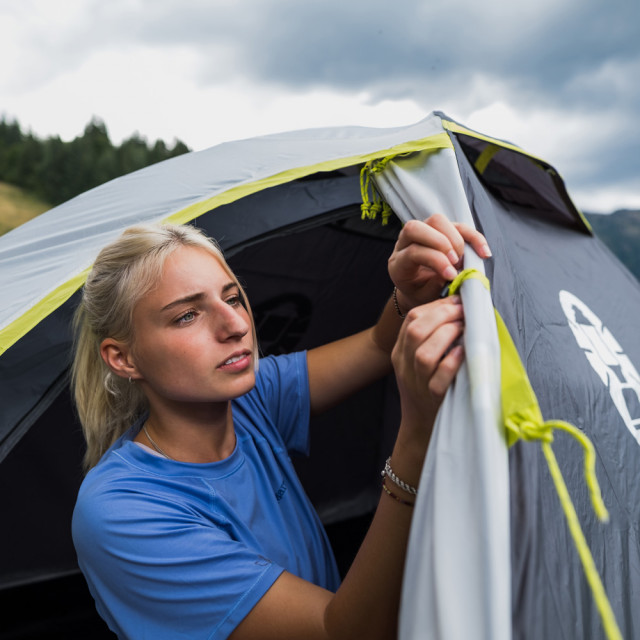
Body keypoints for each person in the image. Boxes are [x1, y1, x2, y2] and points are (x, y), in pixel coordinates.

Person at [71, 213, 491, 640]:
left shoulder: (247, 400)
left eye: (232, 298)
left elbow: (379, 344)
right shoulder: (120, 512)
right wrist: (417, 437)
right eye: (187, 316)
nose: (236, 326)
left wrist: (409, 292)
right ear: (123, 358)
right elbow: (342, 633)